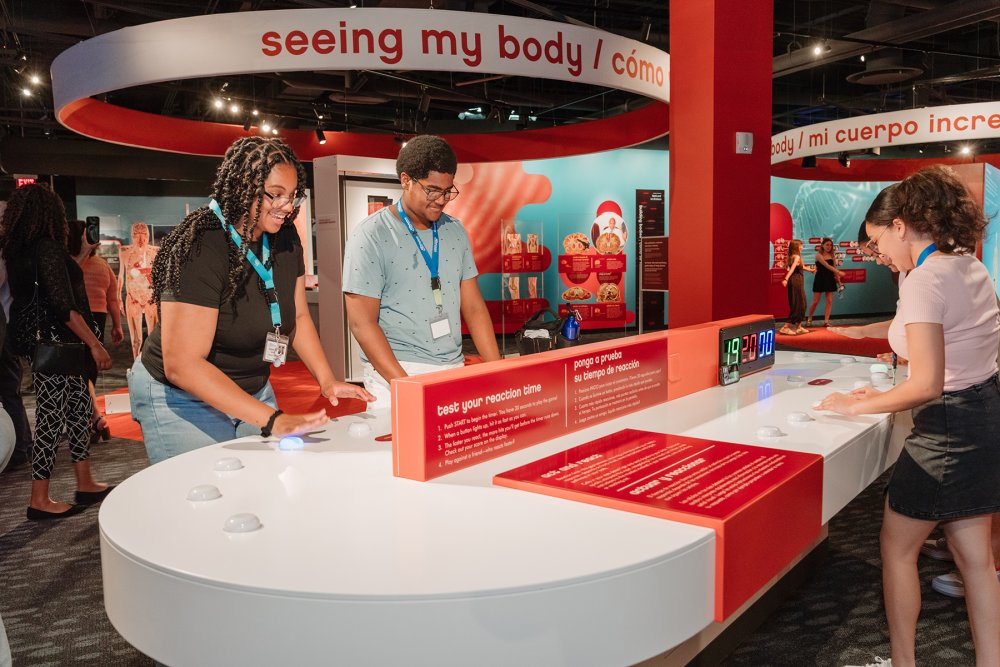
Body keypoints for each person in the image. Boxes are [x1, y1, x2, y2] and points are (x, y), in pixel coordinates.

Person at [818, 166, 1000, 667]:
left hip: (945, 432)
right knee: (978, 563)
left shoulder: (924, 278)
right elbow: (953, 336)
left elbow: (927, 384)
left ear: (901, 224)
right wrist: (868, 338)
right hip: (985, 419)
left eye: (878, 241)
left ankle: (903, 662)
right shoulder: (967, 265)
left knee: (897, 550)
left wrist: (854, 404)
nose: (881, 256)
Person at [129, 136, 373, 464]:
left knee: (264, 488)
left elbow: (298, 317)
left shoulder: (285, 238)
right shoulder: (202, 244)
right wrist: (272, 419)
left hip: (251, 388)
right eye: (275, 195)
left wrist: (327, 381)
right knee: (205, 497)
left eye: (292, 196)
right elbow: (182, 365)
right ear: (244, 184)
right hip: (181, 397)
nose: (287, 207)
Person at [342, 134, 501, 409]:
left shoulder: (455, 231)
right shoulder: (371, 235)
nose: (441, 200)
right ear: (406, 180)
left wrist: (498, 370)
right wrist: (405, 386)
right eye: (432, 190)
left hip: (452, 367)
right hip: (395, 374)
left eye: (448, 190)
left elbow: (473, 308)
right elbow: (361, 323)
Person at [1, 184, 114, 520]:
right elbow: (64, 307)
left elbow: (55, 284)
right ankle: (39, 498)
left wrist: (78, 257)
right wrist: (95, 345)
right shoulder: (47, 248)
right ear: (51, 213)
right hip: (56, 343)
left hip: (47, 343)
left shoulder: (19, 250)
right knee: (51, 417)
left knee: (79, 409)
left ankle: (85, 481)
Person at [68, 218, 124, 441]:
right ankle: (96, 419)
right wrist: (117, 326)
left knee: (78, 372)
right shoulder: (102, 265)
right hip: (98, 320)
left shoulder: (68, 263)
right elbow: (113, 300)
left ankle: (94, 420)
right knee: (86, 371)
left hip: (75, 320)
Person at [0, 254, 32, 469]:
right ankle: (23, 447)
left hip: (5, 331)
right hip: (7, 329)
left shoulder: (5, 254)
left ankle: (20, 450)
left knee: (10, 391)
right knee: (11, 392)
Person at [117, 221, 159, 358]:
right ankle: (135, 365)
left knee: (152, 337)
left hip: (150, 298)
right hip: (133, 298)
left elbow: (157, 277)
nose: (141, 239)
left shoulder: (154, 252)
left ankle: (151, 367)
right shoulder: (125, 252)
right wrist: (118, 298)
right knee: (137, 340)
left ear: (148, 235)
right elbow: (122, 276)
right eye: (137, 235)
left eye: (144, 235)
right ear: (132, 236)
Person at [778, 239, 815, 335]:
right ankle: (785, 327)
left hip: (796, 282)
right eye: (800, 245)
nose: (802, 247)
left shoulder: (793, 257)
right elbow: (792, 269)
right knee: (798, 305)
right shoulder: (797, 257)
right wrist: (785, 279)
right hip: (796, 282)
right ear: (796, 247)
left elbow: (800, 267)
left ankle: (799, 326)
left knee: (802, 304)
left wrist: (810, 269)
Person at [806, 237, 844, 327]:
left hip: (830, 279)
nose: (829, 246)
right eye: (827, 244)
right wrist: (839, 272)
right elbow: (826, 265)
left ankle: (826, 321)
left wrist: (839, 282)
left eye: (830, 245)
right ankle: (809, 318)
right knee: (815, 301)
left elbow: (835, 269)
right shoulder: (818, 255)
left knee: (829, 301)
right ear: (822, 245)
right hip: (820, 279)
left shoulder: (832, 256)